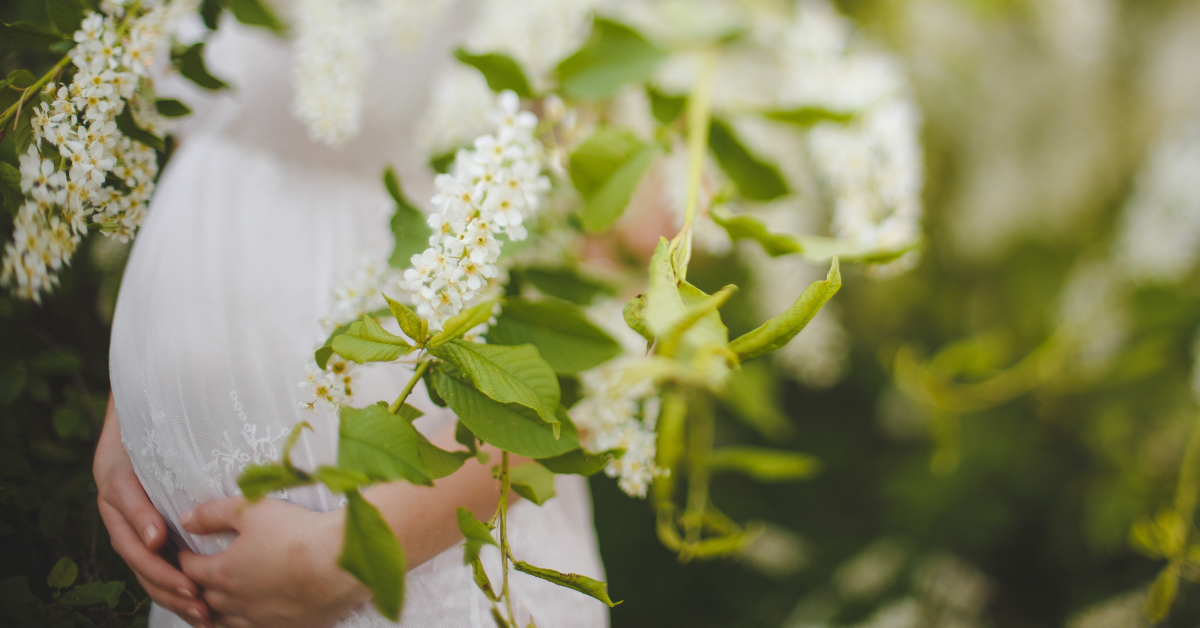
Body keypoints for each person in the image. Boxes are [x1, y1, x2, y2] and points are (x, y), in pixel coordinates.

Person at [92, 10, 608, 628]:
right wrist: (129, 424)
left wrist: (358, 553)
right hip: (197, 581)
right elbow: (212, 138)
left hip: (410, 567)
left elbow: (618, 334)